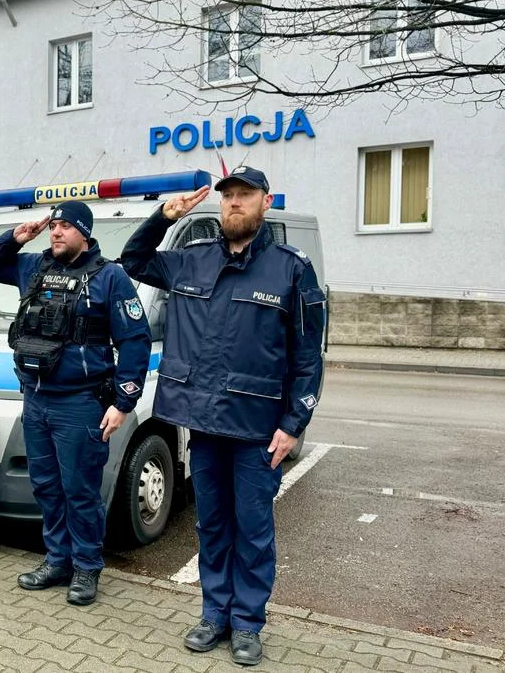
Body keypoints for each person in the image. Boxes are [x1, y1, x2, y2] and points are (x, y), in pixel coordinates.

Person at [119, 167, 325, 666]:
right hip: (204, 426)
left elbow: (307, 355)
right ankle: (215, 614)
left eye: (245, 195)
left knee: (252, 530)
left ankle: (249, 623)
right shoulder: (189, 262)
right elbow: (133, 260)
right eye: (229, 196)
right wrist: (164, 216)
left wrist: (293, 424)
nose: (234, 203)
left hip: (257, 429)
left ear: (265, 203)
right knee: (211, 525)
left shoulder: (290, 268)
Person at [0, 200, 153, 605]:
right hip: (36, 399)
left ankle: (87, 567)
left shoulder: (110, 278)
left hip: (81, 402)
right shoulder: (33, 268)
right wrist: (17, 236)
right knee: (46, 487)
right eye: (53, 226)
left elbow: (134, 341)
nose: (55, 232)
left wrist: (125, 400)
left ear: (85, 234)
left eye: (65, 226)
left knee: (80, 489)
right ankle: (57, 560)